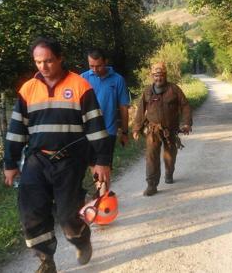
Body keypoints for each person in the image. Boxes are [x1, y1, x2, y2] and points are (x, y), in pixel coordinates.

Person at [3, 37, 112, 273]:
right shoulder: (28, 90)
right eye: (38, 62)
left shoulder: (80, 86)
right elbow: (16, 129)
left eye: (48, 61)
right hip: (36, 159)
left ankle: (81, 240)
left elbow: (95, 126)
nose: (43, 66)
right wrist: (10, 162)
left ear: (60, 58)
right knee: (31, 211)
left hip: (71, 160)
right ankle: (46, 261)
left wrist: (101, 161)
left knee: (67, 215)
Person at [132, 62, 192, 196]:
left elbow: (185, 106)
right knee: (151, 156)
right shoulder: (147, 91)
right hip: (153, 131)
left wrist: (187, 123)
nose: (158, 78)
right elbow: (141, 111)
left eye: (160, 75)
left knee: (170, 155)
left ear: (165, 75)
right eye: (155, 76)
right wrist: (136, 129)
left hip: (171, 130)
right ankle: (151, 185)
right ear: (152, 76)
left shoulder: (174, 89)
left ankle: (169, 172)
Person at [81, 48, 131, 166]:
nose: (94, 70)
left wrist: (124, 132)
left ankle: (103, 184)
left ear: (105, 62)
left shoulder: (118, 80)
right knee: (89, 168)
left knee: (104, 169)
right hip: (86, 132)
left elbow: (123, 107)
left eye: (98, 66)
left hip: (108, 132)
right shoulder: (82, 79)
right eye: (91, 66)